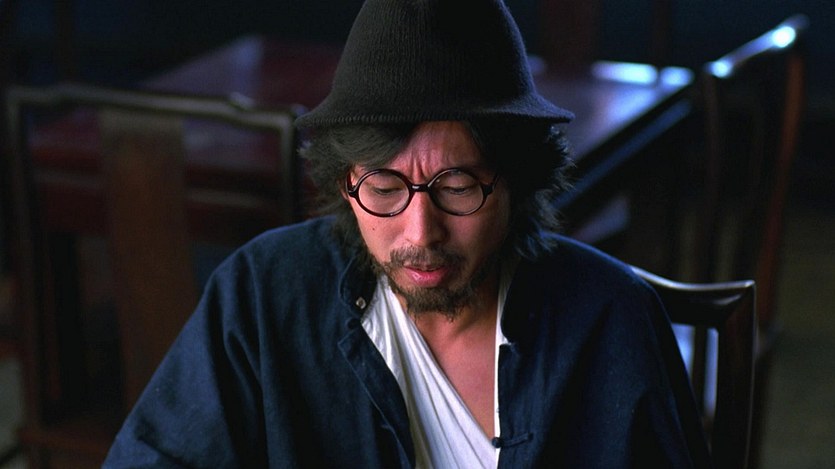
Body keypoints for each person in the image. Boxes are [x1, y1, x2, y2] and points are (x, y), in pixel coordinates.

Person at [104, 0, 711, 467]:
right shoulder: (263, 295)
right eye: (385, 187)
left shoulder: (611, 322)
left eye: (458, 187)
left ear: (518, 180)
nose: (421, 233)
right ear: (344, 182)